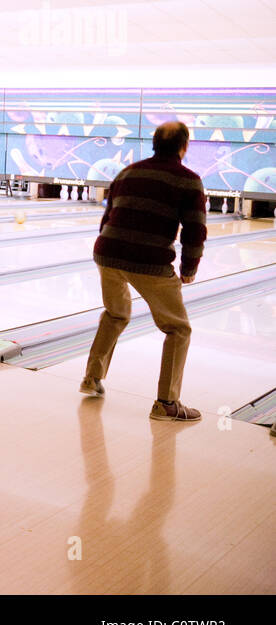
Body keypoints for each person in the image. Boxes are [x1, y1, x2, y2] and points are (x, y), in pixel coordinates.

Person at [82, 121, 206, 422]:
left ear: (153, 144)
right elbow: (195, 230)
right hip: (149, 259)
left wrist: (109, 250)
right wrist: (188, 268)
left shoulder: (128, 171)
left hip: (106, 251)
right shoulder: (189, 180)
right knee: (178, 328)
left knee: (115, 314)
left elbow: (108, 216)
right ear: (184, 146)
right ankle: (167, 403)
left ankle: (92, 378)